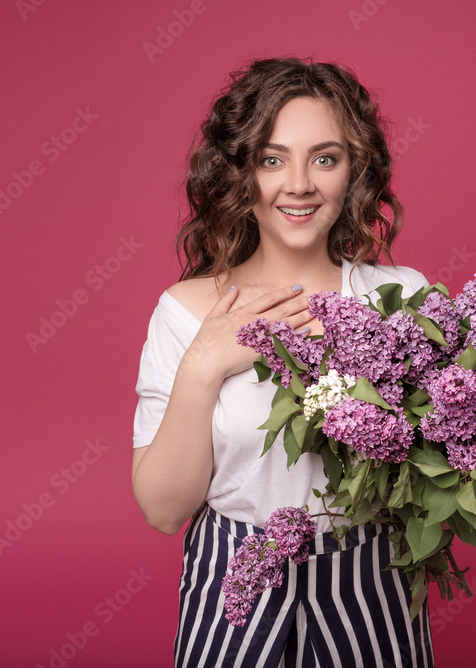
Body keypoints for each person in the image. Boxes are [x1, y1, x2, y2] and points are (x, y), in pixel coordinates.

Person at [131, 57, 434, 667]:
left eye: (325, 158)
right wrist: (204, 365)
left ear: (355, 172)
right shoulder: (187, 310)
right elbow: (165, 512)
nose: (299, 184)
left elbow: (433, 471)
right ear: (240, 173)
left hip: (371, 571)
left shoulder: (402, 297)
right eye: (272, 160)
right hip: (234, 576)